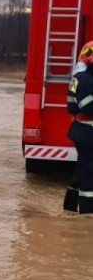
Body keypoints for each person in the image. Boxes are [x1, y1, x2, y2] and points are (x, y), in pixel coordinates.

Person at [63, 41, 93, 213]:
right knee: (90, 175)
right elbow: (88, 107)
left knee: (81, 172)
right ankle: (87, 218)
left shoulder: (80, 77)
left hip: (81, 129)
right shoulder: (86, 80)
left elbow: (72, 107)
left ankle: (70, 210)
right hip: (88, 132)